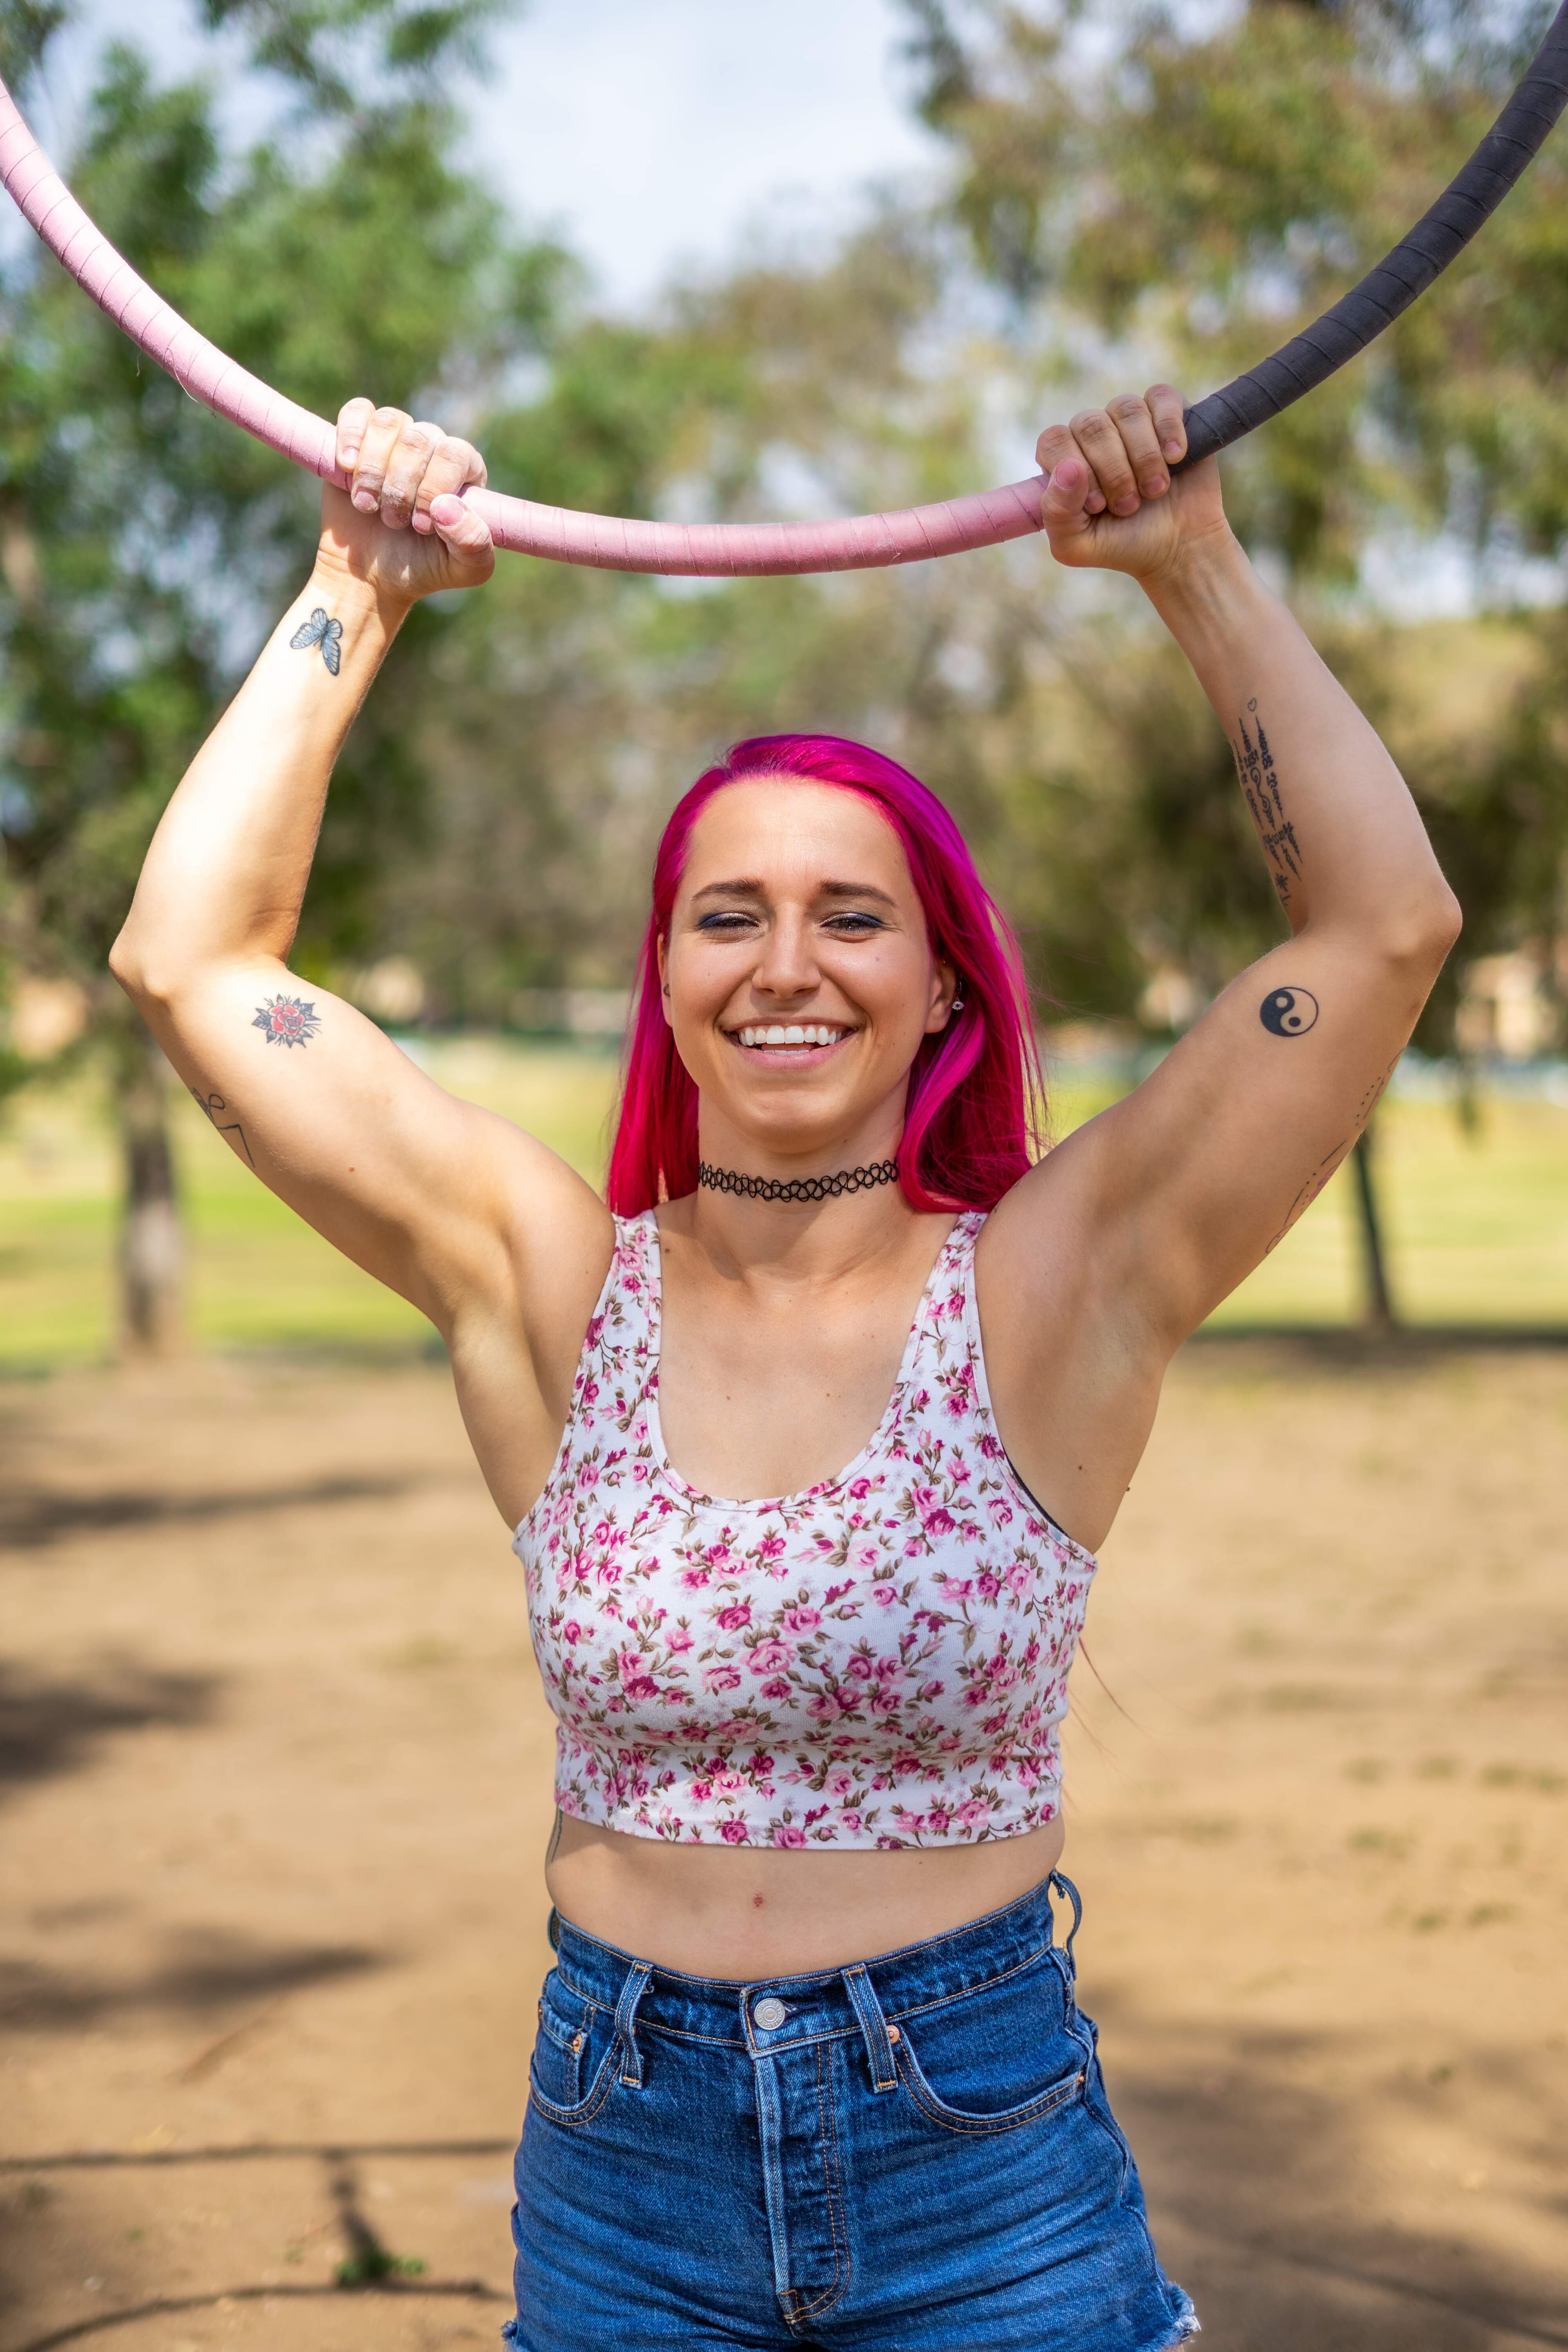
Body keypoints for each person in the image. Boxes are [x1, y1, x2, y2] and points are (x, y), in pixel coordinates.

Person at [111, 383, 1459, 2351]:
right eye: (726, 914)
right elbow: (191, 964)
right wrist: (359, 584)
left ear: (939, 991)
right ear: (665, 972)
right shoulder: (554, 1283)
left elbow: (1386, 922)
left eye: (854, 916)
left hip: (976, 2152)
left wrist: (1193, 566)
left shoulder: (1056, 1282)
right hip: (621, 2153)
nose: (788, 961)